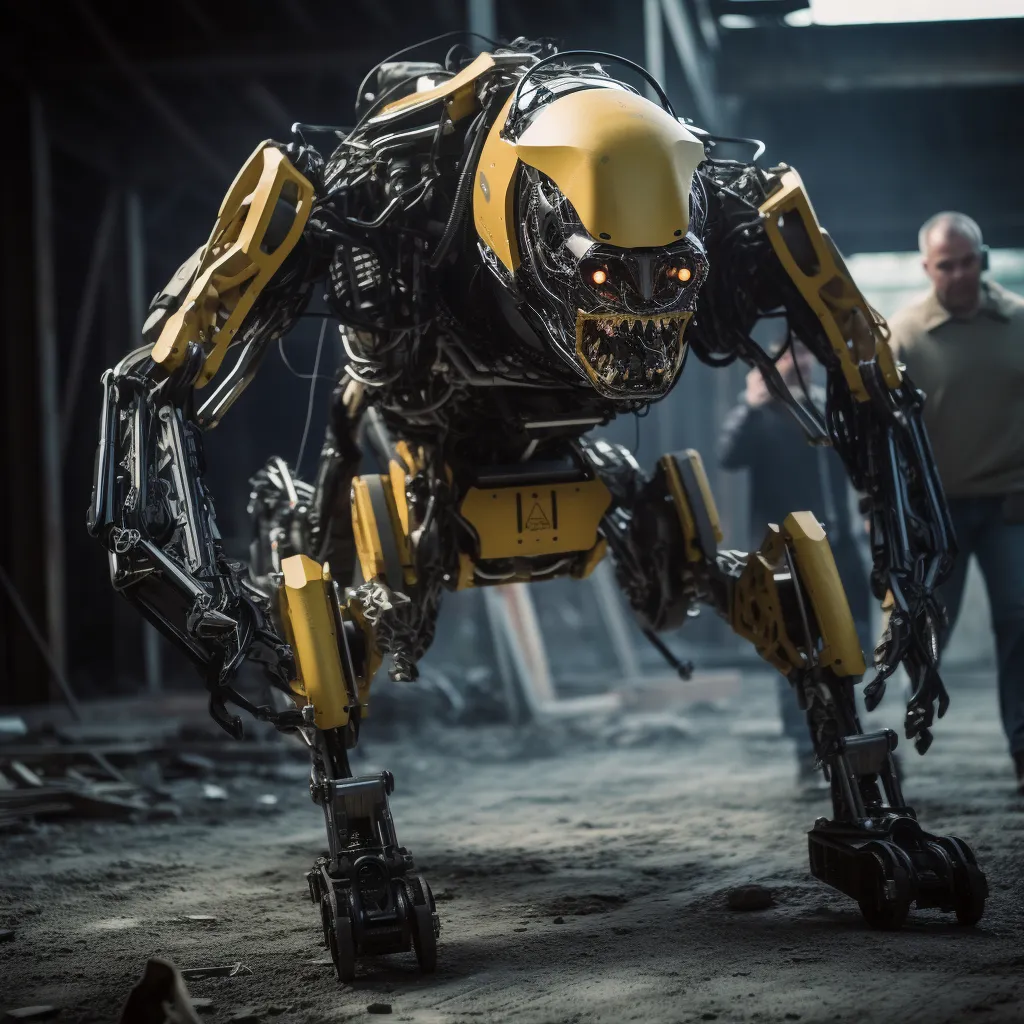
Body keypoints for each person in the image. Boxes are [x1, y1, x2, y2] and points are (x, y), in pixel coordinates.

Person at [888, 211, 1024, 794]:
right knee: (922, 630)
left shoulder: (1018, 321)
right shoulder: (906, 334)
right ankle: (907, 724)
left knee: (1019, 624)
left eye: (969, 260)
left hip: (1009, 507)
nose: (961, 273)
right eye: (947, 265)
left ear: (984, 257)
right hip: (937, 515)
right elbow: (887, 433)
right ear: (928, 268)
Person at [718, 340, 872, 786]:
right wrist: (749, 404)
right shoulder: (759, 416)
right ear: (771, 365)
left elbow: (859, 466)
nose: (797, 362)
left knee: (851, 641)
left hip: (838, 548)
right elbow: (729, 456)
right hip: (785, 554)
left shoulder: (828, 409)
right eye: (787, 357)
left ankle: (851, 738)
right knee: (796, 651)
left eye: (803, 356)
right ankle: (809, 751)